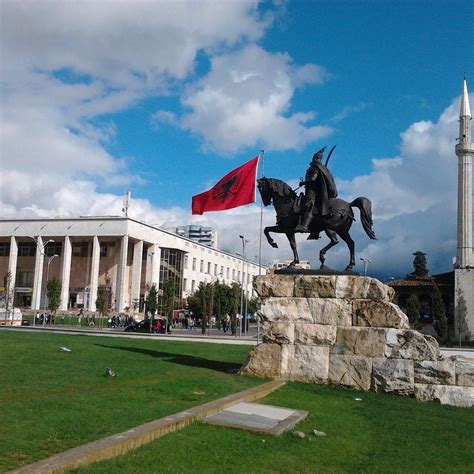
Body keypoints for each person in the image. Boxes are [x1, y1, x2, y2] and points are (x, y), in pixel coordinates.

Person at [295, 147, 338, 233]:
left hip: (313, 190)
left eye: (314, 157)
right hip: (316, 190)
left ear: (316, 158)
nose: (313, 158)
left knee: (309, 205)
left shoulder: (315, 167)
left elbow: (313, 179)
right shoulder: (321, 167)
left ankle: (305, 226)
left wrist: (303, 183)